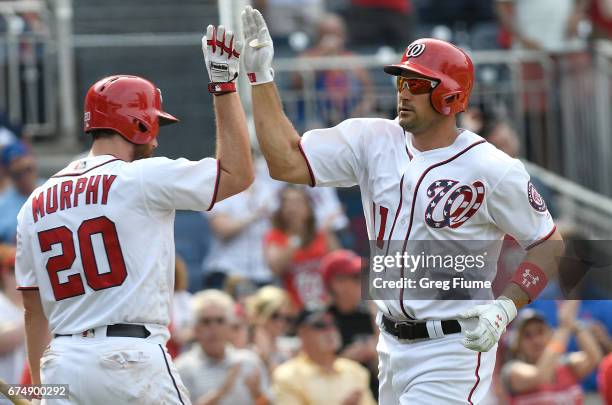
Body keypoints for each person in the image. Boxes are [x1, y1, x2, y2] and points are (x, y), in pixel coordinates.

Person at [240, 6, 563, 403]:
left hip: (452, 346)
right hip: (390, 344)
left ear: (449, 95)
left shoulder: (491, 168)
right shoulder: (372, 138)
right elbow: (285, 161)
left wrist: (504, 308)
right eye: (402, 80)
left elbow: (549, 245)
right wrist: (260, 78)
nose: (403, 90)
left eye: (418, 83)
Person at [14, 23, 253, 405]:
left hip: (63, 363)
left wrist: (43, 392)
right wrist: (224, 87)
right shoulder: (139, 178)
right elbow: (238, 174)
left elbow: (33, 312)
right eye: (154, 124)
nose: (156, 138)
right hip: (130, 359)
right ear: (138, 123)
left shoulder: (35, 202)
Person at [175, 290, 270, 405]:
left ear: (230, 327)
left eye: (220, 320)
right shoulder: (182, 368)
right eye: (206, 321)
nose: (214, 328)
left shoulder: (249, 362)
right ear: (195, 329)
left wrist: (258, 395)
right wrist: (222, 392)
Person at [272, 307, 377, 405]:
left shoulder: (356, 371)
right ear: (302, 334)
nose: (329, 330)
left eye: (333, 323)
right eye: (320, 325)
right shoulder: (288, 376)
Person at [501, 303, 603, 404]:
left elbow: (594, 358)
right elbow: (540, 376)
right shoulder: (512, 371)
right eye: (527, 335)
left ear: (550, 334)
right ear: (518, 344)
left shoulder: (567, 366)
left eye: (540, 332)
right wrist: (564, 328)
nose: (536, 340)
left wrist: (575, 325)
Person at [264, 185, 340, 309]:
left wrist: (328, 233)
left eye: (298, 202)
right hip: (295, 309)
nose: (293, 208)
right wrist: (296, 237)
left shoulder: (321, 234)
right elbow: (276, 267)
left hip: (327, 306)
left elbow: (339, 264)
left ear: (309, 208)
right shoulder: (275, 236)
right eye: (288, 203)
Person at [321, 250, 378, 397]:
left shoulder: (370, 315)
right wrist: (345, 360)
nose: (362, 281)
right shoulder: (322, 322)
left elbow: (387, 368)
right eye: (355, 277)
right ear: (336, 284)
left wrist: (374, 351)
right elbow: (314, 372)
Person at [246, 286, 296, 372]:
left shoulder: (288, 349)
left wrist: (267, 357)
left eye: (287, 318)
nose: (281, 323)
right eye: (275, 316)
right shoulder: (246, 350)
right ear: (260, 314)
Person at [0, 141, 39, 244]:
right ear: (7, 173)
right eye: (18, 174)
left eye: (27, 170)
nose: (24, 178)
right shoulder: (3, 205)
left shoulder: (52, 189)